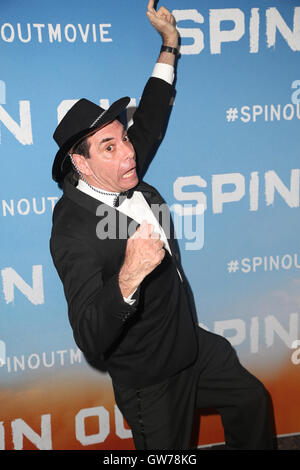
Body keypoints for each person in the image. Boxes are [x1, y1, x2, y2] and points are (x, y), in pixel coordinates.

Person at [50, 1, 274, 450]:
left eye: (125, 137)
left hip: (190, 346)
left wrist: (169, 44)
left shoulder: (124, 170)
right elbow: (90, 335)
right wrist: (130, 274)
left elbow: (152, 114)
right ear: (81, 162)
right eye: (109, 147)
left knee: (253, 403)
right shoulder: (72, 232)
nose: (129, 153)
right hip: (150, 381)